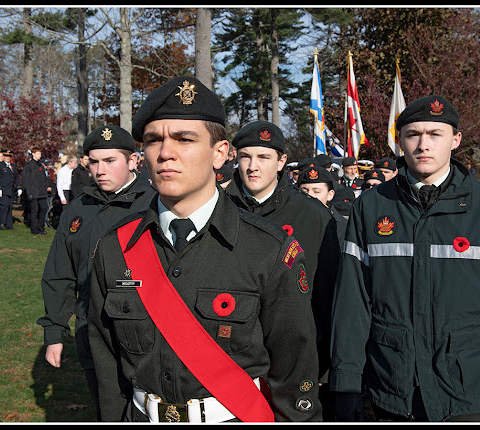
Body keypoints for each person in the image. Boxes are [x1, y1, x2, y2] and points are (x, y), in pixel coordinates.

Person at [87, 76, 322, 422]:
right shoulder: (115, 248)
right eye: (153, 140)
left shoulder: (268, 250)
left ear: (220, 154)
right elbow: (103, 362)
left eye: (184, 139)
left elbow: (294, 368)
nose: (166, 152)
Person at [330, 95, 480, 422]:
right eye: (413, 134)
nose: (423, 144)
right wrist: (346, 384)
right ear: (400, 141)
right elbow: (352, 304)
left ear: (455, 140)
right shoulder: (370, 208)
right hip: (394, 390)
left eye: (435, 134)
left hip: (468, 392)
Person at [37, 125, 156, 421]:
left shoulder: (155, 204)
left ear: (132, 162)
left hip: (147, 333)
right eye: (94, 162)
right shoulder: (78, 209)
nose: (100, 170)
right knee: (106, 410)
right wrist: (54, 331)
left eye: (110, 161)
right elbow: (59, 272)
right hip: (90, 329)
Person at [224, 120, 340, 420]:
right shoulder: (217, 207)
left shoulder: (313, 215)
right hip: (231, 352)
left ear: (282, 161)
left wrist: (321, 363)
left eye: (263, 157)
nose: (253, 167)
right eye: (246, 156)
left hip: (295, 349)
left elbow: (326, 294)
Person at [297, 166, 347, 249]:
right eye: (304, 191)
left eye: (316, 191)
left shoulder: (343, 227)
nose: (310, 195)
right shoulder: (292, 220)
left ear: (330, 194)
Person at [22, 148, 53, 235]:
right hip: (33, 192)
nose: (40, 155)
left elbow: (44, 178)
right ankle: (34, 229)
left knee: (43, 209)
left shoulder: (40, 166)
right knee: (35, 210)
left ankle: (40, 227)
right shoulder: (29, 166)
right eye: (38, 154)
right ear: (33, 154)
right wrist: (28, 193)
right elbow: (26, 181)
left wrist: (48, 186)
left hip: (42, 192)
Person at [0, 150, 21, 230]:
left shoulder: (13, 166)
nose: (8, 158)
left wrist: (18, 187)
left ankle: (9, 224)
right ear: (4, 157)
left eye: (9, 157)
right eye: (6, 156)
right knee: (4, 207)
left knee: (9, 207)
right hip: (3, 189)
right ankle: (2, 223)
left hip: (11, 190)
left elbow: (16, 177)